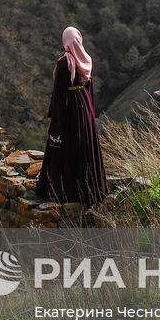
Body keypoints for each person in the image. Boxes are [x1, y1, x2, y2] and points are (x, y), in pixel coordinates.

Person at [35, 25, 109, 206]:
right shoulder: (87, 60)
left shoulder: (64, 63)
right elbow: (89, 89)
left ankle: (65, 190)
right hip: (84, 107)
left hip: (69, 107)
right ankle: (90, 190)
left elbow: (59, 93)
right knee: (84, 144)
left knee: (66, 145)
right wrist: (90, 112)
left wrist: (54, 117)